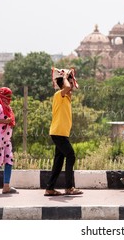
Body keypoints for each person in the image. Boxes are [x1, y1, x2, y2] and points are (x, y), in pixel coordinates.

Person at [44, 68, 83, 196]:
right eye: (69, 82)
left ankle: (50, 188)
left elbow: (70, 89)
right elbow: (66, 86)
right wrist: (65, 77)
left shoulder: (66, 96)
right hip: (58, 133)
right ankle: (69, 187)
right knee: (70, 155)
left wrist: (68, 77)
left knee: (59, 160)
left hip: (61, 133)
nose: (71, 85)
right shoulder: (59, 94)